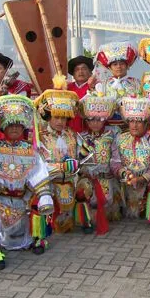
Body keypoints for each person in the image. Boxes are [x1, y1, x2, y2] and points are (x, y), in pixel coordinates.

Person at [0, 95, 54, 258]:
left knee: (39, 205)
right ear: (2, 127)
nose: (14, 128)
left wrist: (43, 194)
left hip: (22, 200)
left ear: (24, 128)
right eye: (10, 124)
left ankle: (37, 239)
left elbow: (38, 175)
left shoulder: (31, 151)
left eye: (18, 125)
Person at [35, 78, 83, 233]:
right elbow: (39, 164)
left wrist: (82, 159)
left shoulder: (72, 134)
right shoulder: (40, 136)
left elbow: (83, 155)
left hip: (70, 179)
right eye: (56, 117)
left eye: (63, 118)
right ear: (48, 117)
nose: (60, 121)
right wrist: (60, 166)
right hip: (50, 180)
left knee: (86, 187)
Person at [75, 92, 121, 235]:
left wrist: (117, 170)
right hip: (87, 178)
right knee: (84, 194)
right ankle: (86, 220)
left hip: (106, 178)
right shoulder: (80, 137)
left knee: (105, 202)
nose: (95, 123)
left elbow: (115, 157)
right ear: (86, 120)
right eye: (91, 119)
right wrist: (83, 171)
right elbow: (78, 159)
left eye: (99, 119)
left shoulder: (112, 134)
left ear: (105, 119)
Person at [114, 96, 150, 219]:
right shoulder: (120, 139)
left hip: (147, 184)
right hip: (126, 184)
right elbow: (114, 162)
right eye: (131, 121)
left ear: (146, 122)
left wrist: (142, 178)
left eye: (139, 121)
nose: (134, 125)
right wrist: (125, 174)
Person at [95, 41, 141, 128]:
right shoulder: (103, 85)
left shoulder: (136, 83)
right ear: (109, 67)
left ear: (127, 66)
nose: (118, 67)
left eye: (122, 64)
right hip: (108, 127)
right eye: (115, 64)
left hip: (130, 127)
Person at [67, 55, 95, 132]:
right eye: (77, 69)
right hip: (69, 132)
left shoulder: (96, 87)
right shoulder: (67, 88)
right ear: (73, 74)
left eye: (84, 68)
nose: (80, 72)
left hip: (90, 131)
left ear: (90, 72)